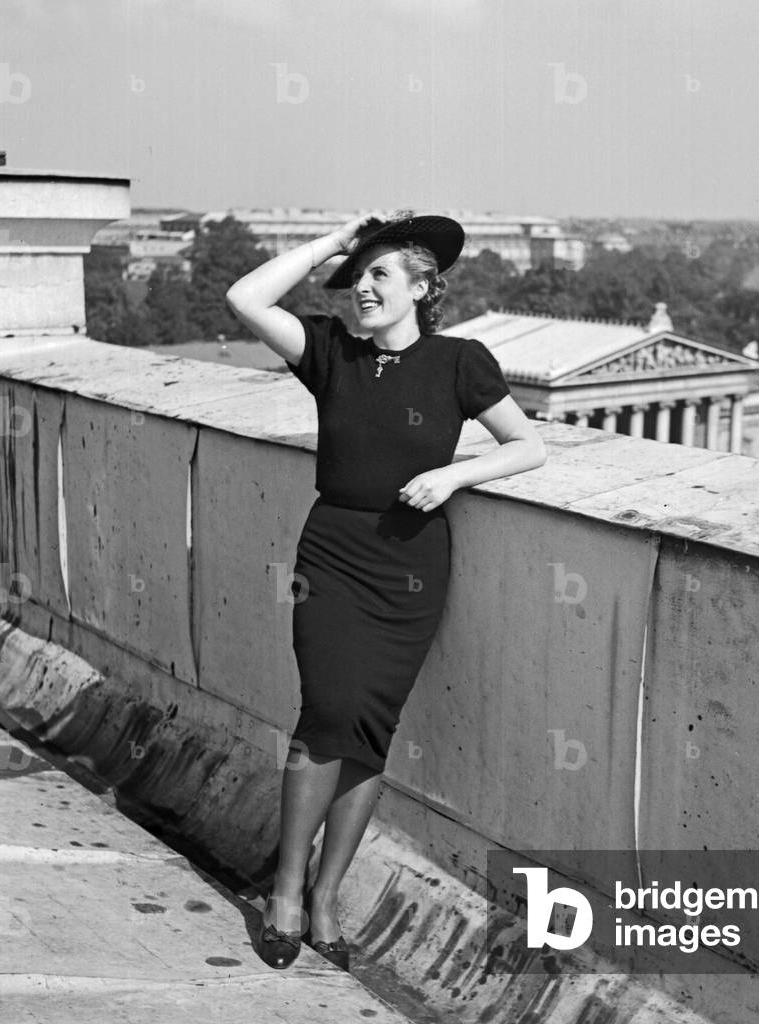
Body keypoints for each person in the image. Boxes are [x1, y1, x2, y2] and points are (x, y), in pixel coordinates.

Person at [225, 211, 547, 971]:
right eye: (358, 275)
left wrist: (455, 473)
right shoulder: (330, 353)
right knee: (327, 711)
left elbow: (530, 446)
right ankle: (286, 891)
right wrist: (333, 245)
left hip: (411, 563)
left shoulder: (461, 362)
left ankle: (330, 895)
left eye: (379, 274)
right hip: (332, 555)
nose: (362, 288)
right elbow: (246, 299)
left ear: (423, 287)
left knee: (370, 731)